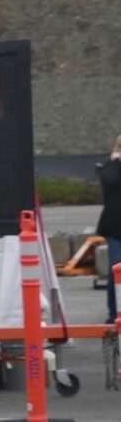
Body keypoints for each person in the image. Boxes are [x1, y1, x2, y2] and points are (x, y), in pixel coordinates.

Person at [96, 134, 121, 324]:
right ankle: (114, 313)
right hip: (116, 227)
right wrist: (115, 162)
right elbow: (109, 180)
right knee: (116, 269)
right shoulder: (110, 168)